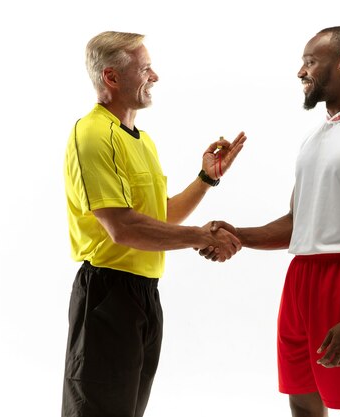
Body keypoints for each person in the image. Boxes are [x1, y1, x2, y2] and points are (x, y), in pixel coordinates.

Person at [203, 26, 340, 417]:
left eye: (310, 62)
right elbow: (296, 223)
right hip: (300, 278)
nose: (301, 72)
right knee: (302, 402)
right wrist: (237, 235)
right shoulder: (314, 139)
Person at [61, 31, 246, 417]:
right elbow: (123, 228)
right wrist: (199, 237)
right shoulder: (92, 134)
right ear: (111, 78)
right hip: (107, 293)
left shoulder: (141, 140)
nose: (155, 76)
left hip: (144, 294)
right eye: (145, 69)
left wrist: (206, 179)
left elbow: (157, 217)